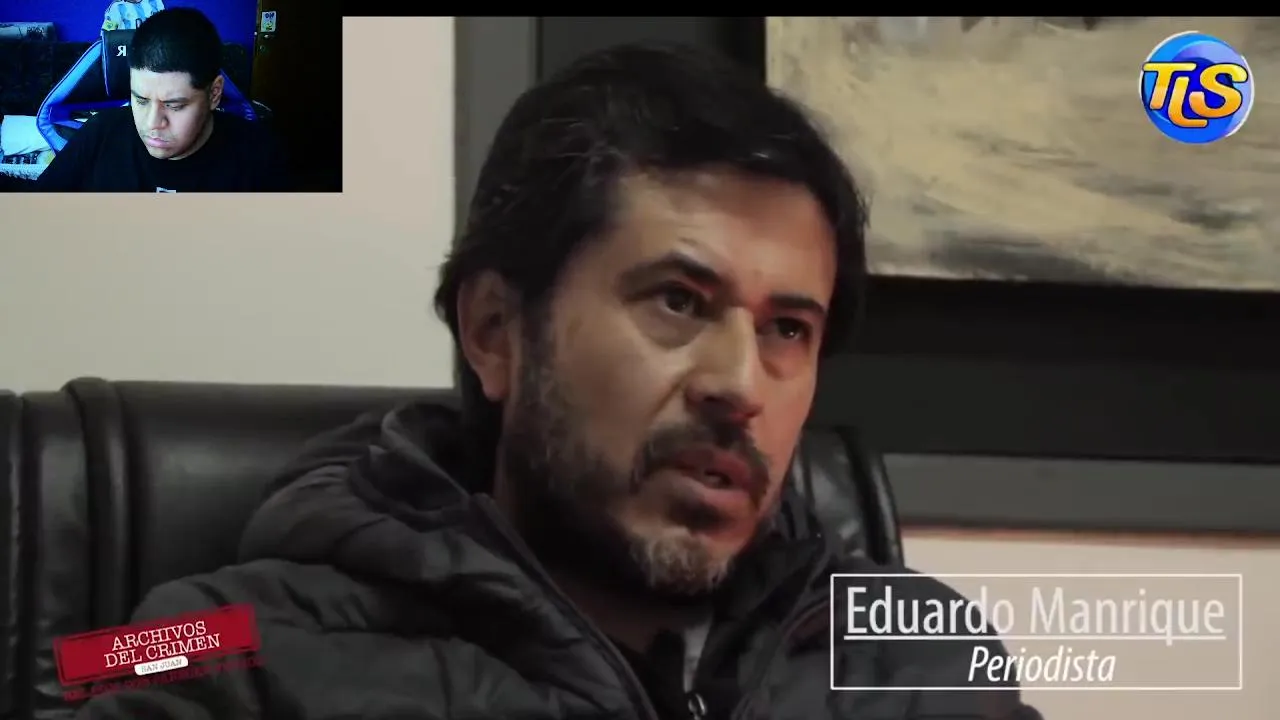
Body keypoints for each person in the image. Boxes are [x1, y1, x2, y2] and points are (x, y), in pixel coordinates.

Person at [73, 43, 1041, 719]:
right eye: (677, 301)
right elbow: (91, 673)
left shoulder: (917, 655)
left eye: (787, 328)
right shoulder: (204, 647)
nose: (739, 384)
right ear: (496, 332)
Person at [35, 7, 289, 192]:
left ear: (214, 94)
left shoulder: (259, 157)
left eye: (174, 106)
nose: (152, 123)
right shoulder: (100, 133)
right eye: (141, 100)